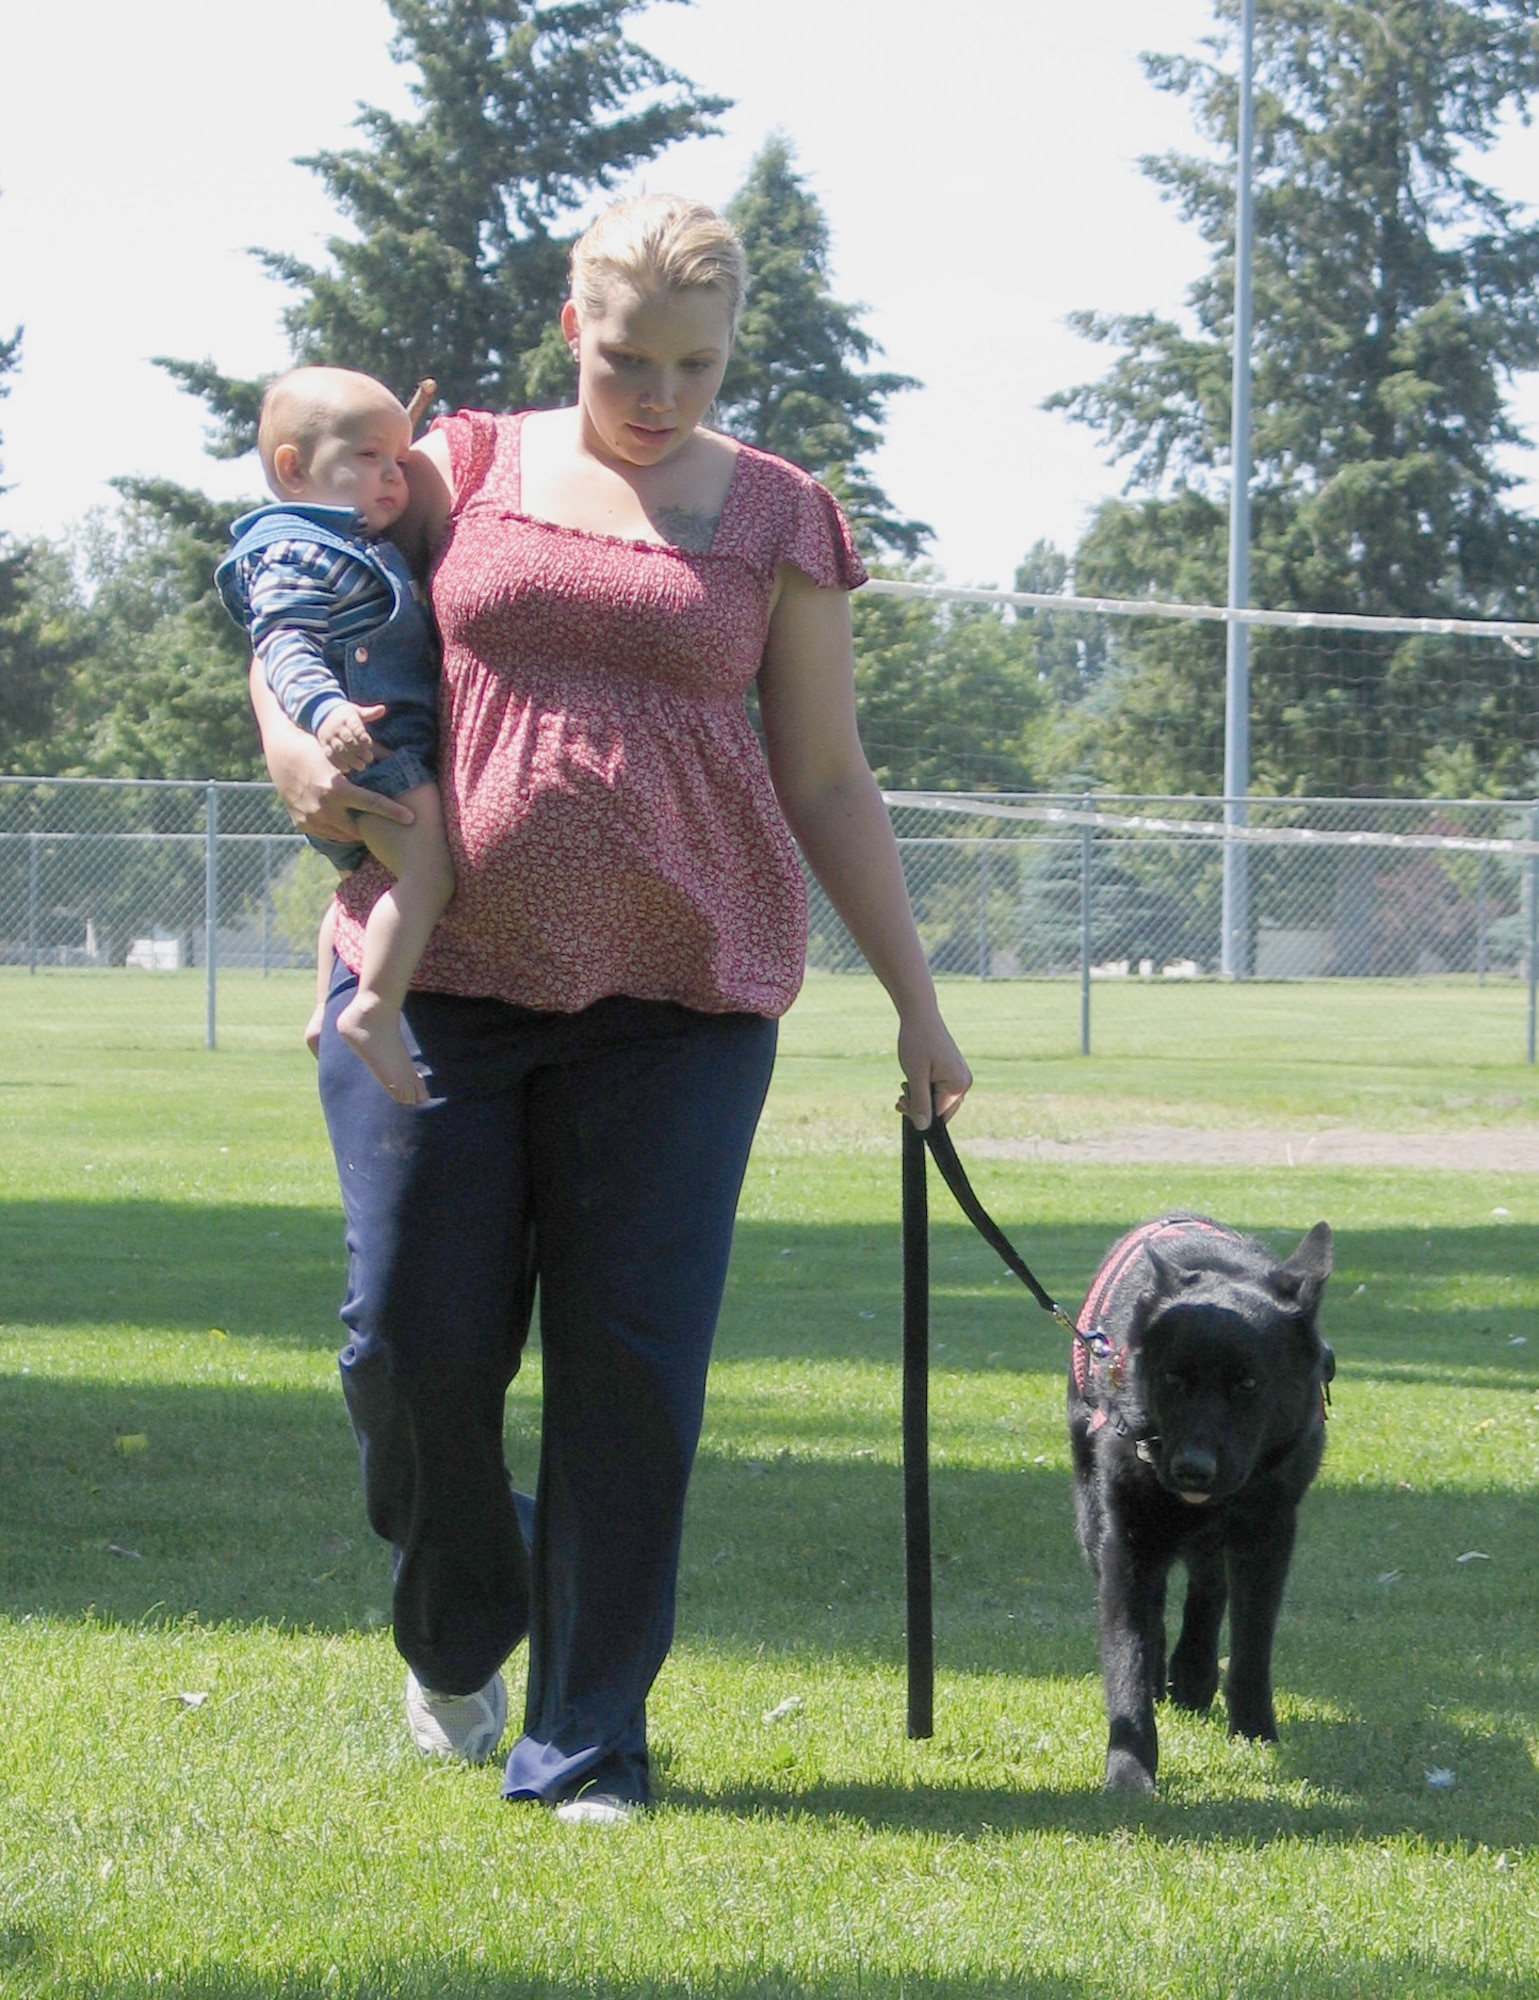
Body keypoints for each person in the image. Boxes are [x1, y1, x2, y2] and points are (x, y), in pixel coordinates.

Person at [249, 194, 972, 1825]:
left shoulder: (779, 517)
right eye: (627, 358)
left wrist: (916, 1011)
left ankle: (587, 1739)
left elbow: (823, 774)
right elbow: (294, 586)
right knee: (404, 1349)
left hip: (680, 997)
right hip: (431, 981)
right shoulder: (460, 469)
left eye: (694, 367)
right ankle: (458, 1621)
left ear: (732, 355)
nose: (655, 396)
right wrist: (294, 746)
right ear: (570, 329)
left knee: (626, 1373)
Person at [217, 366, 453, 1106]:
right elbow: (284, 644)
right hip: (375, 754)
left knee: (361, 882)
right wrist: (324, 714)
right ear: (293, 467)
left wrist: (384, 440)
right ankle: (372, 1010)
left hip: (375, 750)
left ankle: (324, 1007)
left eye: (400, 463)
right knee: (427, 875)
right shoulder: (293, 552)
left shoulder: (349, 536)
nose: (392, 478)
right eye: (368, 459)